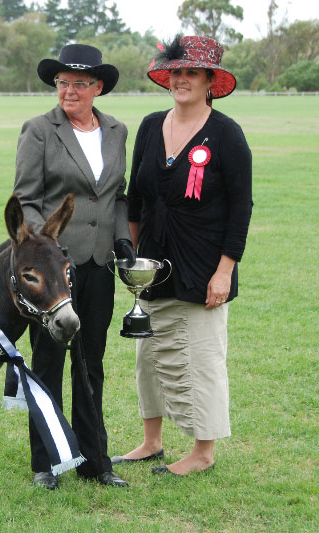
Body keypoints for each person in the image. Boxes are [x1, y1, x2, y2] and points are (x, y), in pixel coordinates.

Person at [113, 35, 252, 475]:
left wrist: (224, 271)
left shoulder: (226, 134)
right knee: (149, 356)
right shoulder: (152, 126)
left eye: (192, 72)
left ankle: (202, 452)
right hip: (153, 263)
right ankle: (151, 441)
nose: (182, 79)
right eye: (176, 71)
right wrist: (135, 257)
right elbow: (135, 199)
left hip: (202, 265)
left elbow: (241, 206)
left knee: (200, 358)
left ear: (210, 80)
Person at [13, 44, 136, 489]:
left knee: (91, 362)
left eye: (79, 84)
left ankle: (94, 461)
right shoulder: (39, 130)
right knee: (47, 362)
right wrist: (45, 247)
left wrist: (123, 239)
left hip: (99, 264)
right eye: (62, 82)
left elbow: (116, 196)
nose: (68, 91)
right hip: (54, 272)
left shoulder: (118, 131)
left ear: (97, 87)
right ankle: (46, 462)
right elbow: (26, 199)